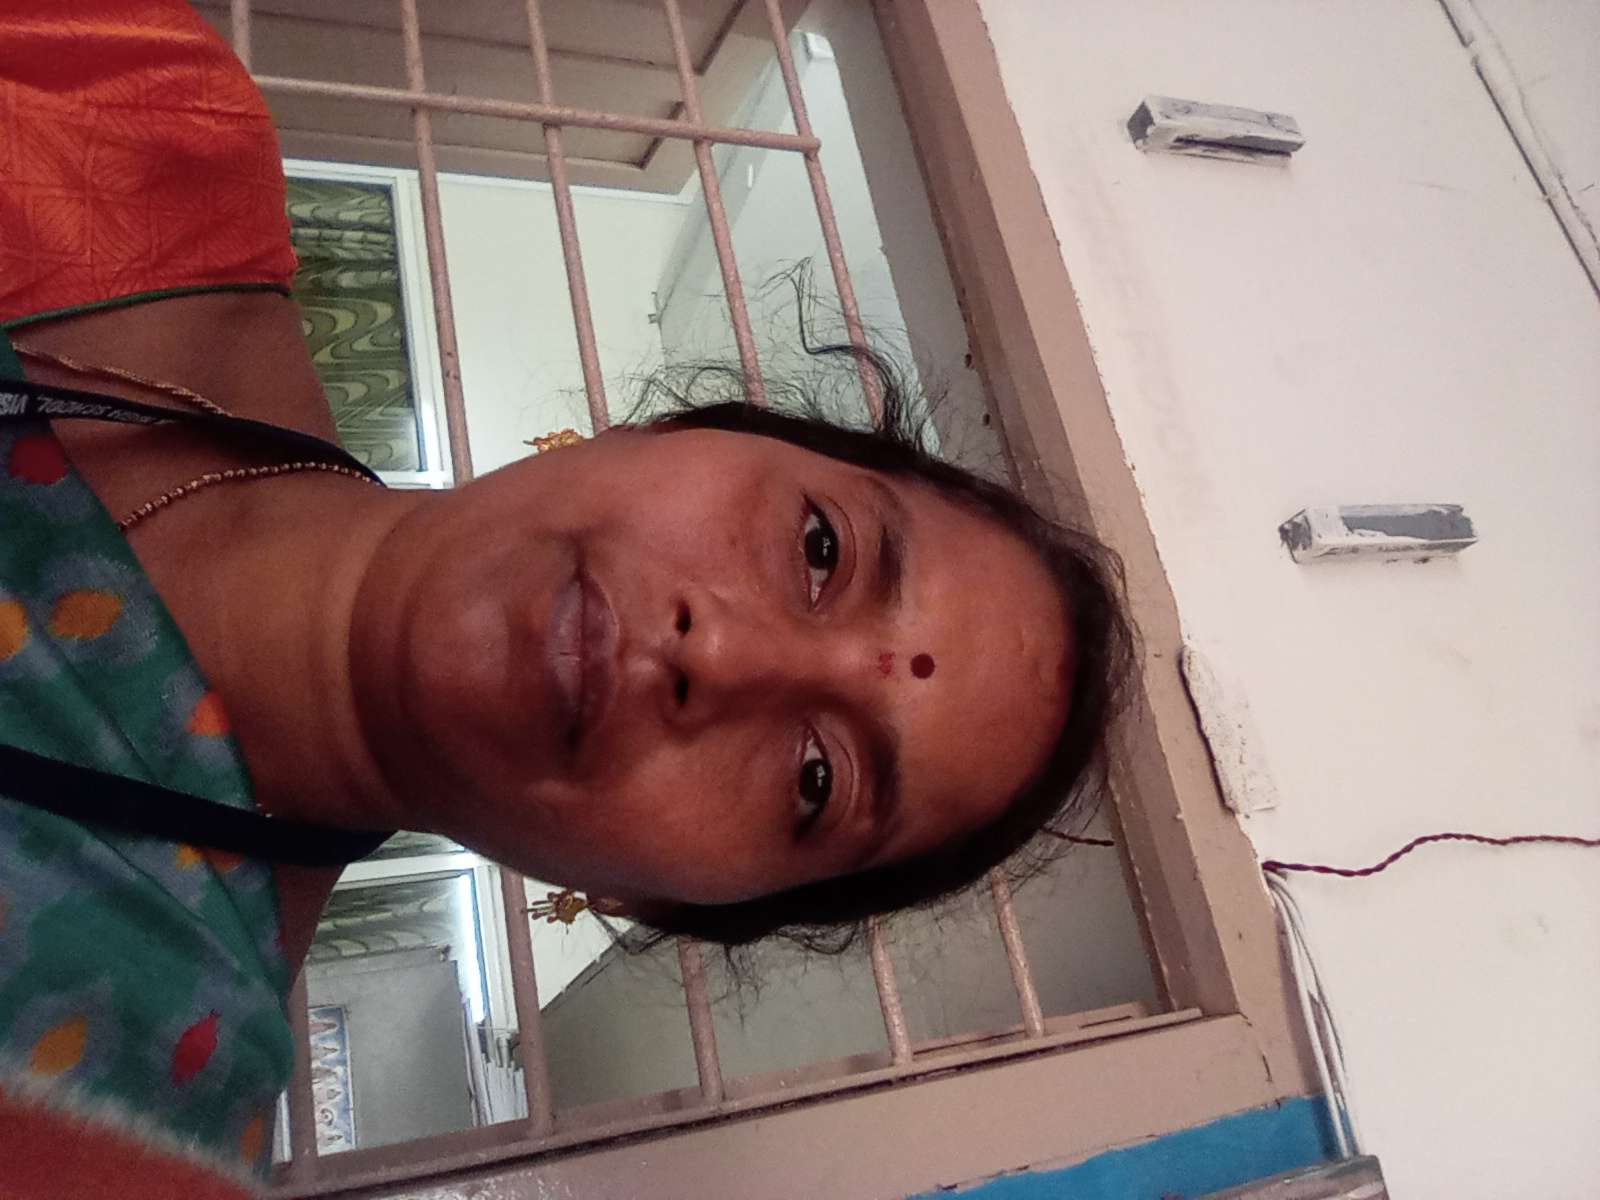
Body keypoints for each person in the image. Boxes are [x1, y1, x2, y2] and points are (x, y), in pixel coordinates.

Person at [0, 1, 1134, 1193]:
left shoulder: (130, 1099)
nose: (725, 659)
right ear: (672, 432)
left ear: (646, 899)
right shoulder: (122, 102)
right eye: (819, 548)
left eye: (817, 781)